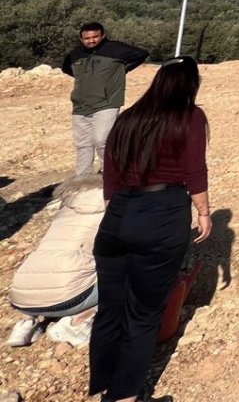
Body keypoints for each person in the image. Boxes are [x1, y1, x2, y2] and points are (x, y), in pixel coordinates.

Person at [90, 56, 211, 402]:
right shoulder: (190, 117)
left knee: (110, 311)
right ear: (190, 84)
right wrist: (203, 213)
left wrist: (117, 212)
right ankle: (125, 396)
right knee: (143, 315)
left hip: (118, 216)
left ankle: (101, 387)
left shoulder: (128, 117)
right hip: (162, 212)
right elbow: (194, 171)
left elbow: (110, 171)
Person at [7, 175, 105, 348]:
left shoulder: (67, 207)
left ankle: (26, 325)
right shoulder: (108, 205)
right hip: (68, 298)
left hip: (21, 298)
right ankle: (77, 322)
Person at [60, 22, 149, 176]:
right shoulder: (75, 54)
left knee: (102, 141)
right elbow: (66, 67)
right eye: (87, 38)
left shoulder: (115, 49)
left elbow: (142, 54)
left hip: (107, 103)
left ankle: (109, 175)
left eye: (95, 37)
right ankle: (82, 181)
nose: (91, 40)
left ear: (103, 35)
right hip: (80, 106)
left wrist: (123, 69)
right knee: (83, 145)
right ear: (81, 39)